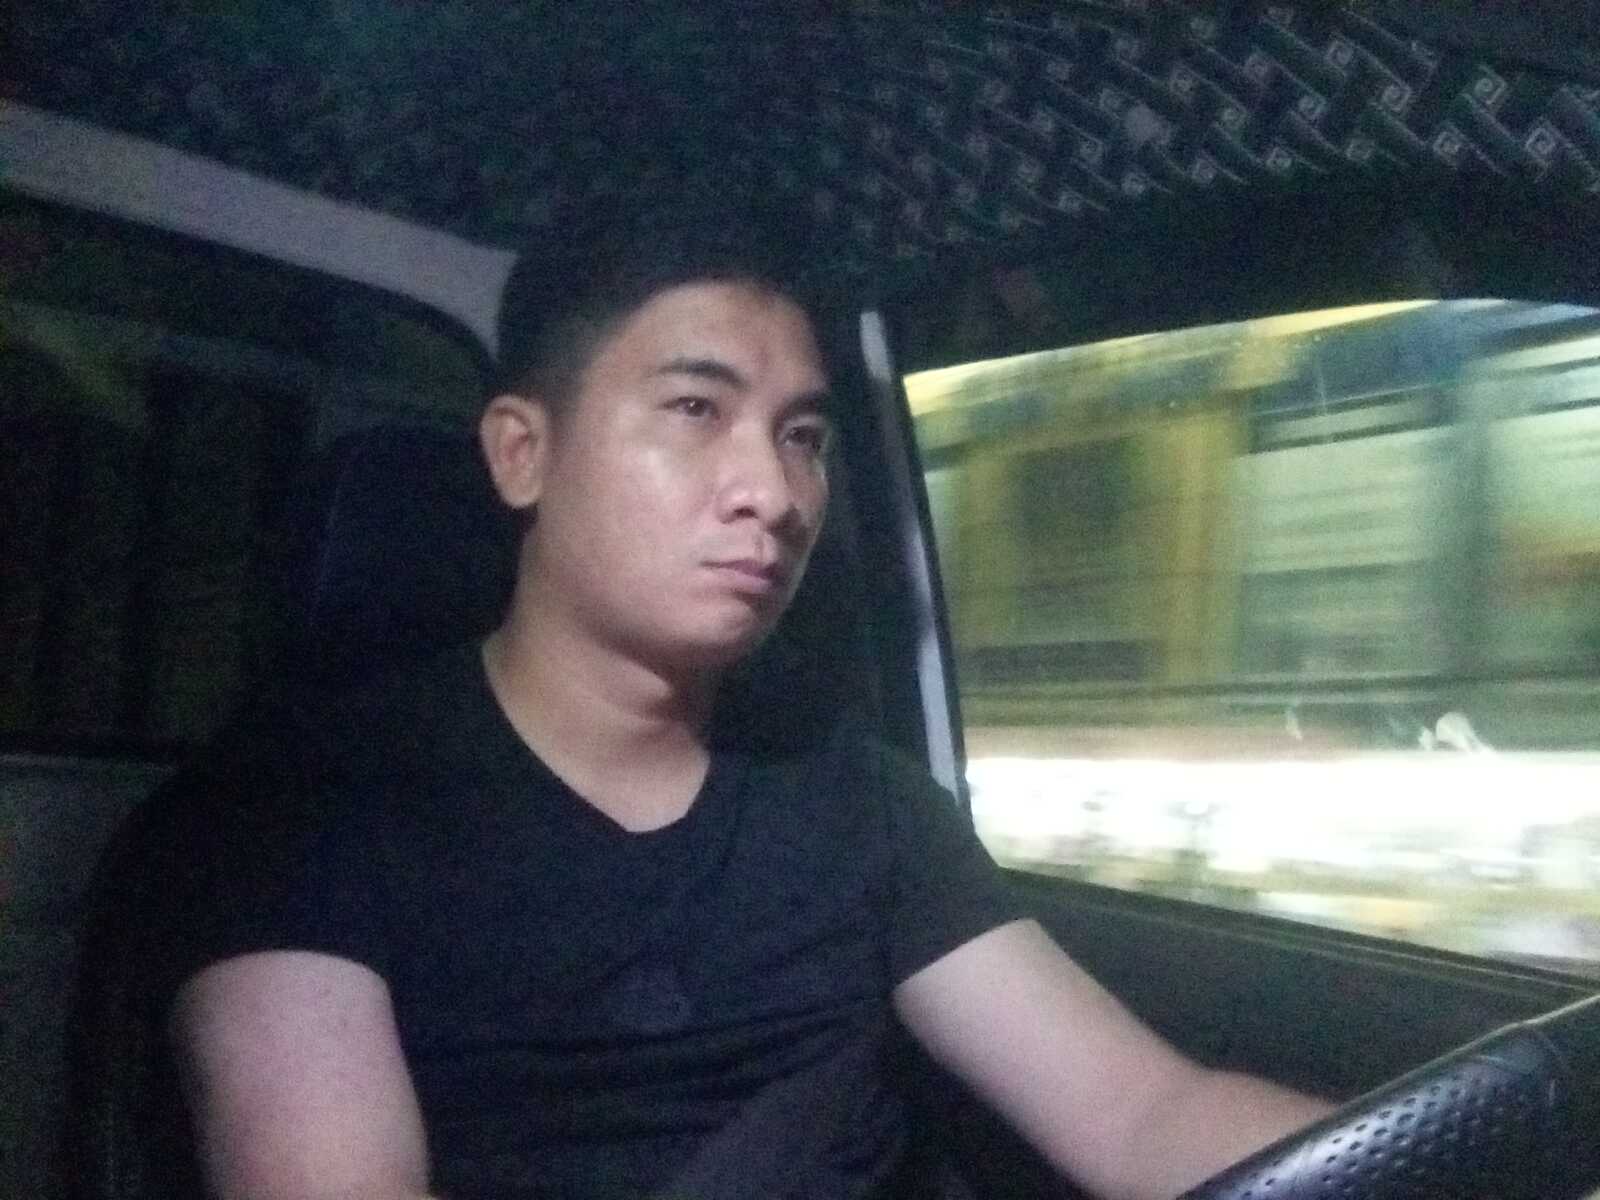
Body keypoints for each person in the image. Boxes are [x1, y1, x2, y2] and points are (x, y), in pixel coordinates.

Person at [162, 200, 1332, 1200]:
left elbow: (1140, 1113)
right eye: (694, 410)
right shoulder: (303, 798)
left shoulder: (864, 805)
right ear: (522, 452)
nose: (772, 491)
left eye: (803, 436)